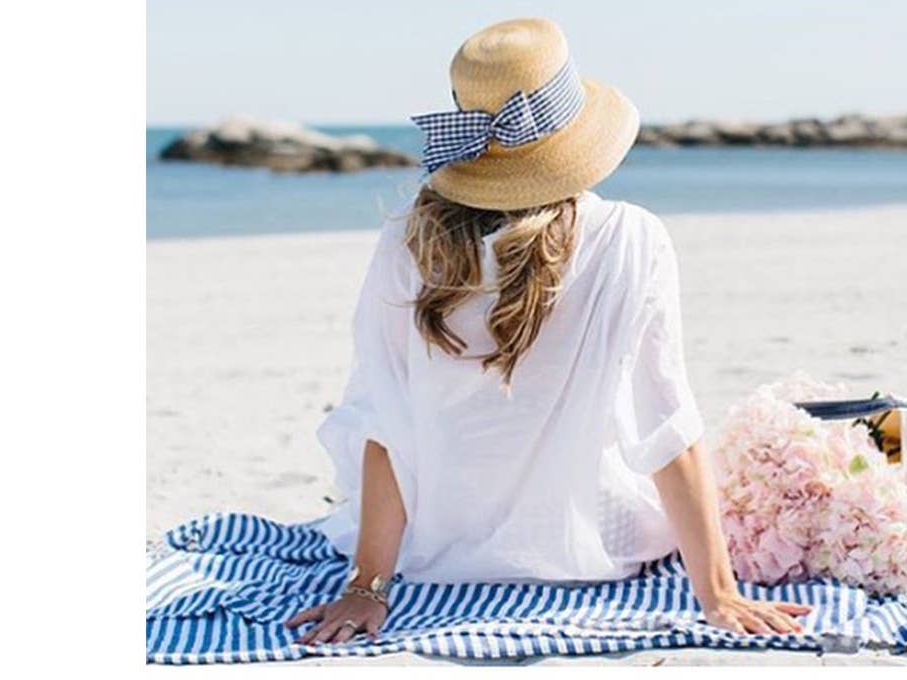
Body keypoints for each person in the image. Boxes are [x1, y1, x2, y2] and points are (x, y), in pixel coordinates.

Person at [285, 17, 811, 644]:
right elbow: (666, 427)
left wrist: (367, 586)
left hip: (436, 553)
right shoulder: (633, 238)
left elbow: (383, 424)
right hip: (595, 552)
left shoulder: (406, 240)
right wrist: (717, 594)